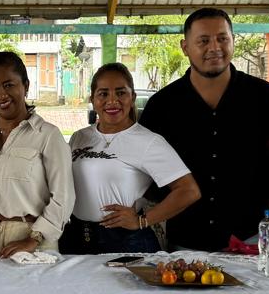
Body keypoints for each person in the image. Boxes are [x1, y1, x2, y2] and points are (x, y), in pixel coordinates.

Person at [139, 8, 269, 252]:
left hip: (250, 239)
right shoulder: (163, 105)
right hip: (186, 242)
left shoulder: (263, 97)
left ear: (233, 41)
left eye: (222, 38)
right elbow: (145, 171)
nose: (214, 47)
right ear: (185, 47)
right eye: (203, 41)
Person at [64, 63, 200, 255]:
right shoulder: (79, 137)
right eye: (103, 94)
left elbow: (189, 191)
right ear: (92, 100)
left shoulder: (148, 141)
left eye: (121, 93)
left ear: (132, 97)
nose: (112, 101)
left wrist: (142, 220)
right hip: (77, 236)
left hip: (125, 240)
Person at [0, 51, 74, 257]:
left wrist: (34, 239)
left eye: (8, 85)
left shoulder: (47, 135)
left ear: (26, 86)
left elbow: (63, 196)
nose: (1, 95)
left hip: (34, 245)